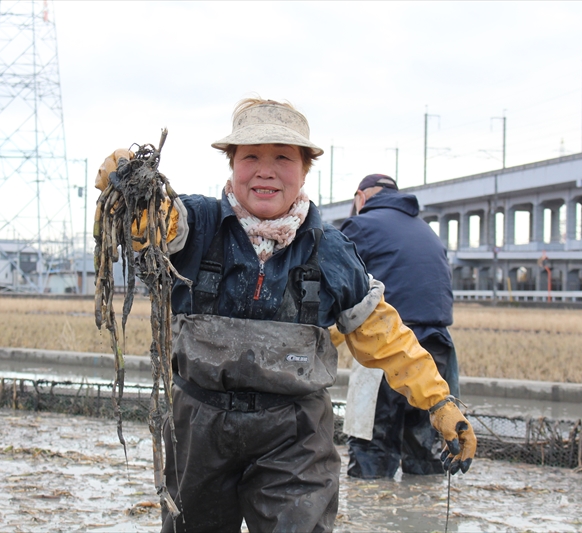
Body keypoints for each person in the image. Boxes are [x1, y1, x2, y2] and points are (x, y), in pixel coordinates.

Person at [95, 99, 475, 533]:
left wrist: (438, 401)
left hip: (295, 435)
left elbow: (385, 336)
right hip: (197, 427)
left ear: (305, 169)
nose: (265, 170)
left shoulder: (331, 251)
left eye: (283, 157)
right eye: (251, 156)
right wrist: (130, 187)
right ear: (232, 163)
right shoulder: (193, 226)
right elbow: (149, 223)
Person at [336, 174, 460, 479]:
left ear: (360, 198)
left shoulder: (360, 225)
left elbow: (337, 286)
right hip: (437, 352)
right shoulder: (427, 231)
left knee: (371, 454)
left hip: (390, 345)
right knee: (425, 453)